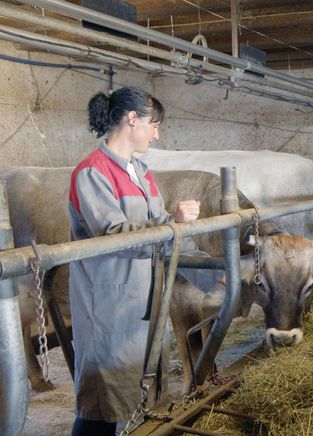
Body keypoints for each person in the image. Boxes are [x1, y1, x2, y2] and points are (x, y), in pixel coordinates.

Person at [68, 86, 200, 435]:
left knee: (138, 391)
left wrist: (211, 272)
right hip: (108, 304)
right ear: (131, 120)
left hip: (143, 300)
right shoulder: (92, 172)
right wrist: (171, 221)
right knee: (101, 402)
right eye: (153, 125)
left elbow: (165, 237)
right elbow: (115, 234)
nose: (156, 134)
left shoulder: (141, 172)